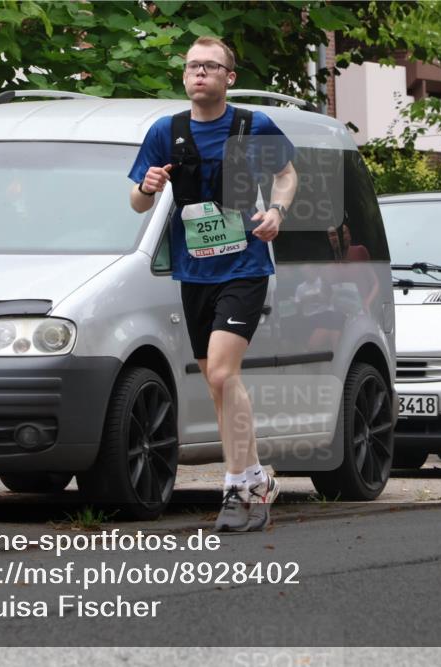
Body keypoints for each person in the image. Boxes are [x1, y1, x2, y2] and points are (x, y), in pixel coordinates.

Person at [128, 36, 298, 530]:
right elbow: (137, 203)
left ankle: (238, 486)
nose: (199, 73)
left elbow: (287, 174)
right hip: (194, 270)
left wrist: (277, 211)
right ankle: (256, 479)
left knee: (224, 373)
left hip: (244, 267)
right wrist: (147, 188)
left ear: (229, 77)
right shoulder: (166, 131)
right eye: (192, 66)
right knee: (218, 383)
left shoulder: (253, 125)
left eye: (210, 66)